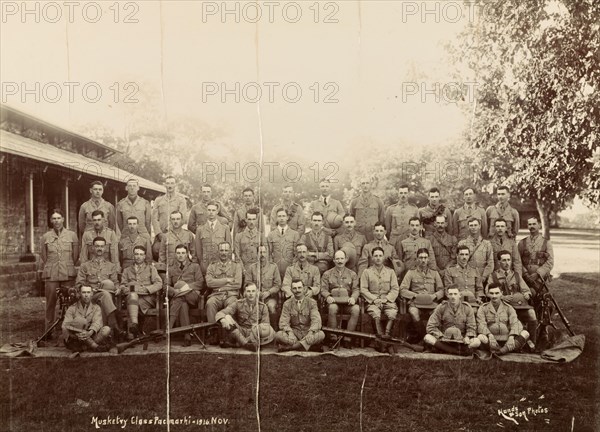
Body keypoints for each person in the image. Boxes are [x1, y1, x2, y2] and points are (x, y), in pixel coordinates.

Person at [75, 236, 123, 338]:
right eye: (97, 246)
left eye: (102, 246)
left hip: (106, 296)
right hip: (90, 296)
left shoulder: (111, 266)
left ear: (105, 248)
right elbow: (79, 284)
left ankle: (105, 333)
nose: (99, 248)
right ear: (92, 248)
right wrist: (90, 289)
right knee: (105, 295)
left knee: (106, 293)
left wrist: (118, 288)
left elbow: (115, 282)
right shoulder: (85, 266)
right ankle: (115, 325)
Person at [40, 209, 79, 333]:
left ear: (63, 219)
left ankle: (69, 331)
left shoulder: (72, 235)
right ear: (51, 221)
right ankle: (48, 331)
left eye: (59, 218)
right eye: (54, 218)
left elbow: (75, 256)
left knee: (70, 303)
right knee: (51, 303)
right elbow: (44, 256)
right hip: (51, 274)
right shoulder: (46, 237)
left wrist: (66, 265)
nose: (56, 221)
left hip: (68, 273)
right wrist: (53, 265)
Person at [488, 250, 538, 345]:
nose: (507, 263)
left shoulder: (516, 275)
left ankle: (532, 341)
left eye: (508, 260)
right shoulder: (493, 276)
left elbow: (525, 289)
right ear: (499, 262)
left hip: (518, 307)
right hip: (502, 308)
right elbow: (488, 292)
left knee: (531, 313)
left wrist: (527, 294)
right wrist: (501, 297)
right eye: (504, 260)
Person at [399, 248, 445, 341]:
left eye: (425, 257)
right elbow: (402, 290)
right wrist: (415, 295)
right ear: (417, 259)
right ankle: (424, 338)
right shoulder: (411, 273)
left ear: (428, 259)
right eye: (420, 258)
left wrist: (434, 296)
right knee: (413, 312)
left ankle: (434, 337)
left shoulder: (434, 273)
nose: (423, 260)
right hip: (416, 303)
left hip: (431, 303)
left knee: (438, 312)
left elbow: (441, 290)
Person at [216, 283, 275, 351]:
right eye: (248, 291)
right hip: (241, 330)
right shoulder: (238, 303)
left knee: (263, 329)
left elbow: (266, 325)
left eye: (253, 291)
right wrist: (223, 319)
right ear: (245, 293)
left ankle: (240, 342)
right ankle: (246, 344)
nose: (251, 294)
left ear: (257, 292)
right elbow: (220, 313)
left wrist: (253, 333)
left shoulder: (263, 307)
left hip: (254, 333)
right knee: (227, 317)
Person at [423, 285, 481, 355]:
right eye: (450, 294)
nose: (453, 297)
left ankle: (443, 349)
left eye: (455, 294)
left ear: (460, 295)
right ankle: (458, 352)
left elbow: (472, 327)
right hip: (444, 339)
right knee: (427, 337)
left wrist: (467, 337)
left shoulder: (467, 308)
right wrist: (441, 336)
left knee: (477, 341)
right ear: (447, 295)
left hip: (461, 340)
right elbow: (430, 326)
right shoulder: (441, 307)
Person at [120, 245, 163, 337]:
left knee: (131, 302)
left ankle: (131, 333)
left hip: (147, 299)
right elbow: (122, 286)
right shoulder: (127, 270)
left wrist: (146, 289)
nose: (138, 256)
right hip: (132, 298)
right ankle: (134, 326)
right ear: (133, 256)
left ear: (144, 256)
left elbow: (159, 283)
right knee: (133, 297)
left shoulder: (151, 268)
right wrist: (132, 290)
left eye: (141, 254)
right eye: (136, 254)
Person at [166, 244, 205, 346]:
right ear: (175, 254)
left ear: (187, 254)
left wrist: (185, 287)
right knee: (182, 302)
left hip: (193, 296)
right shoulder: (171, 269)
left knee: (179, 285)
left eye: (183, 253)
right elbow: (165, 286)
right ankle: (187, 336)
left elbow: (200, 283)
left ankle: (169, 327)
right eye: (178, 253)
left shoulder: (195, 266)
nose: (180, 255)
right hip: (179, 297)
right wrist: (174, 291)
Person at [476, 283, 530, 355]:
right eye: (491, 293)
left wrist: (511, 337)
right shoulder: (483, 308)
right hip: (491, 340)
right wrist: (489, 335)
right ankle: (506, 350)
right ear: (488, 294)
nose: (494, 296)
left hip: (506, 339)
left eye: (497, 293)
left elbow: (515, 323)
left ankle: (501, 351)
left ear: (501, 293)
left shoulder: (508, 308)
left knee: (525, 333)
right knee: (480, 337)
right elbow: (481, 324)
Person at [321, 250, 360, 346]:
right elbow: (323, 289)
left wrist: (353, 298)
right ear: (334, 260)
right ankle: (333, 338)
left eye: (342, 258)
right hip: (333, 302)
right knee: (332, 308)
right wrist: (328, 296)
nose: (340, 261)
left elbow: (356, 289)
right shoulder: (327, 274)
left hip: (347, 303)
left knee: (356, 309)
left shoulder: (352, 274)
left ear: (346, 260)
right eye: (337, 258)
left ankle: (348, 339)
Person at [275, 279, 325, 352]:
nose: (297, 290)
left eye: (299, 287)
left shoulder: (312, 302)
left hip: (308, 331)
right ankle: (309, 347)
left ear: (304, 289)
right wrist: (290, 333)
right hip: (294, 332)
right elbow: (283, 322)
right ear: (291, 290)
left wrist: (310, 333)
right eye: (294, 288)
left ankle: (291, 347)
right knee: (278, 335)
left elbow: (316, 320)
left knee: (321, 334)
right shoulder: (287, 303)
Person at [360, 247, 399, 339]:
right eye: (376, 256)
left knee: (392, 313)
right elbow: (363, 289)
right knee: (375, 314)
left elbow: (395, 289)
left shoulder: (390, 272)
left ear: (384, 257)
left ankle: (387, 338)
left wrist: (386, 299)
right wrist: (375, 299)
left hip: (388, 301)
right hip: (373, 302)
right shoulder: (367, 272)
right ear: (372, 258)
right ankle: (380, 340)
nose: (378, 258)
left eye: (380, 256)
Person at [62, 285, 112, 352]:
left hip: (90, 335)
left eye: (88, 292)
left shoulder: (96, 308)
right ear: (79, 293)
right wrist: (76, 335)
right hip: (76, 338)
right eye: (84, 292)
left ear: (91, 294)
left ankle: (84, 347)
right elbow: (65, 325)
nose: (86, 295)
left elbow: (97, 322)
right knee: (80, 321)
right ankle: (95, 347)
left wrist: (90, 332)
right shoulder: (72, 308)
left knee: (106, 329)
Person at [205, 242, 243, 324]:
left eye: (226, 250)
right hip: (216, 295)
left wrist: (221, 287)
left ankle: (231, 331)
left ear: (230, 252)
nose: (224, 253)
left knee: (233, 303)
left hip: (231, 295)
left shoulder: (236, 266)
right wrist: (227, 280)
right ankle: (212, 330)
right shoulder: (212, 266)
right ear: (218, 251)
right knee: (210, 303)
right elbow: (209, 283)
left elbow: (238, 284)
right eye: (221, 250)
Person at [247, 245, 282, 329]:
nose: (262, 254)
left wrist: (269, 292)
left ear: (267, 254)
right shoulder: (252, 268)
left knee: (271, 307)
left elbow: (278, 285)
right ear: (257, 254)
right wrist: (256, 292)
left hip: (270, 297)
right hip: (254, 297)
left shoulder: (273, 267)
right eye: (260, 252)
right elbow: (247, 283)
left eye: (264, 252)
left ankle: (274, 329)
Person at [194, 202, 232, 274]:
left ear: (217, 211)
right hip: (205, 266)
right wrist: (201, 264)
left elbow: (229, 249)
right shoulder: (200, 229)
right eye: (209, 210)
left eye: (213, 210)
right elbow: (198, 251)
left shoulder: (225, 228)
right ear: (206, 211)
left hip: (221, 265)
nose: (211, 212)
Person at [518, 216, 554, 289]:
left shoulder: (546, 243)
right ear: (527, 226)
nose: (532, 226)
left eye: (534, 224)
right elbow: (517, 260)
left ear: (539, 225)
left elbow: (550, 262)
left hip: (540, 277)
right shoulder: (522, 243)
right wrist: (525, 274)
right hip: (524, 277)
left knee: (539, 296)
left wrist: (538, 274)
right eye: (530, 224)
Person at [151, 175, 188, 242]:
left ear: (175, 185)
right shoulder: (158, 200)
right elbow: (154, 218)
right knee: (156, 250)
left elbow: (183, 218)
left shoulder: (181, 200)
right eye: (167, 183)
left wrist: (170, 230)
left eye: (172, 183)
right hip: (160, 236)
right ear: (165, 185)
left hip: (175, 235)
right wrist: (159, 233)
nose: (170, 185)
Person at [267, 207, 301, 279]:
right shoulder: (271, 235)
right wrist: (271, 267)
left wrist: (293, 267)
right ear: (276, 218)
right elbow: (269, 254)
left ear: (287, 217)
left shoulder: (295, 234)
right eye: (279, 216)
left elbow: (297, 254)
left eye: (283, 216)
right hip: (275, 270)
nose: (281, 218)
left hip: (290, 270)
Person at [458, 217, 494, 283]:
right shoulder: (462, 243)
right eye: (471, 225)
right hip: (468, 278)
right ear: (468, 227)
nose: (473, 227)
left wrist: (484, 277)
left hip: (483, 278)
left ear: (479, 226)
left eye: (475, 225)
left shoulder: (486, 243)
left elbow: (490, 263)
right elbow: (459, 262)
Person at [348, 177, 385, 242]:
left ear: (370, 185)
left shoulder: (378, 201)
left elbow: (381, 220)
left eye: (367, 183)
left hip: (373, 236)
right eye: (363, 183)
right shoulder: (354, 201)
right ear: (360, 186)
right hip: (358, 235)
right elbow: (351, 219)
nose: (365, 185)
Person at [234, 208, 265, 274]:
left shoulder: (261, 236)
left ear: (257, 220)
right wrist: (243, 270)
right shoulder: (239, 236)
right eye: (249, 219)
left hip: (258, 271)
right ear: (246, 220)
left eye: (254, 219)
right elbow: (237, 256)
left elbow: (265, 255)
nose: (251, 222)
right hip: (243, 270)